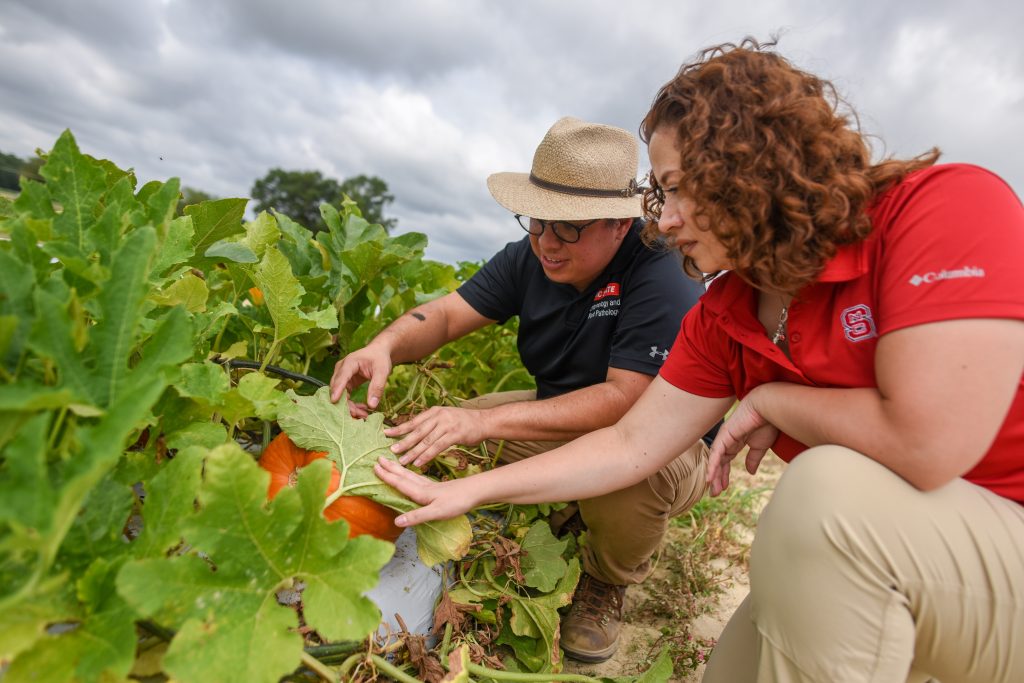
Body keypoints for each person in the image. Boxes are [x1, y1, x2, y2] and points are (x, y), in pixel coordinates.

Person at [373, 39, 1024, 683]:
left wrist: (776, 399)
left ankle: (610, 580)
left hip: (999, 541)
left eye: (680, 189)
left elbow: (927, 440)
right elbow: (630, 443)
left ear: (756, 166)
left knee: (824, 495)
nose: (668, 219)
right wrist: (463, 489)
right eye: (661, 192)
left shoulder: (943, 207)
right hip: (908, 558)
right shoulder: (730, 312)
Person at [330, 116, 708, 662]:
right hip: (561, 411)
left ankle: (607, 579)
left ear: (619, 225)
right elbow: (442, 316)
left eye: (569, 227)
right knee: (441, 433)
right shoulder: (531, 254)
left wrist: (483, 423)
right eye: (537, 220)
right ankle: (558, 512)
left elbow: (627, 402)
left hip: (664, 438)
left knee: (632, 478)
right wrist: (384, 346)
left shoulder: (662, 271)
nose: (548, 242)